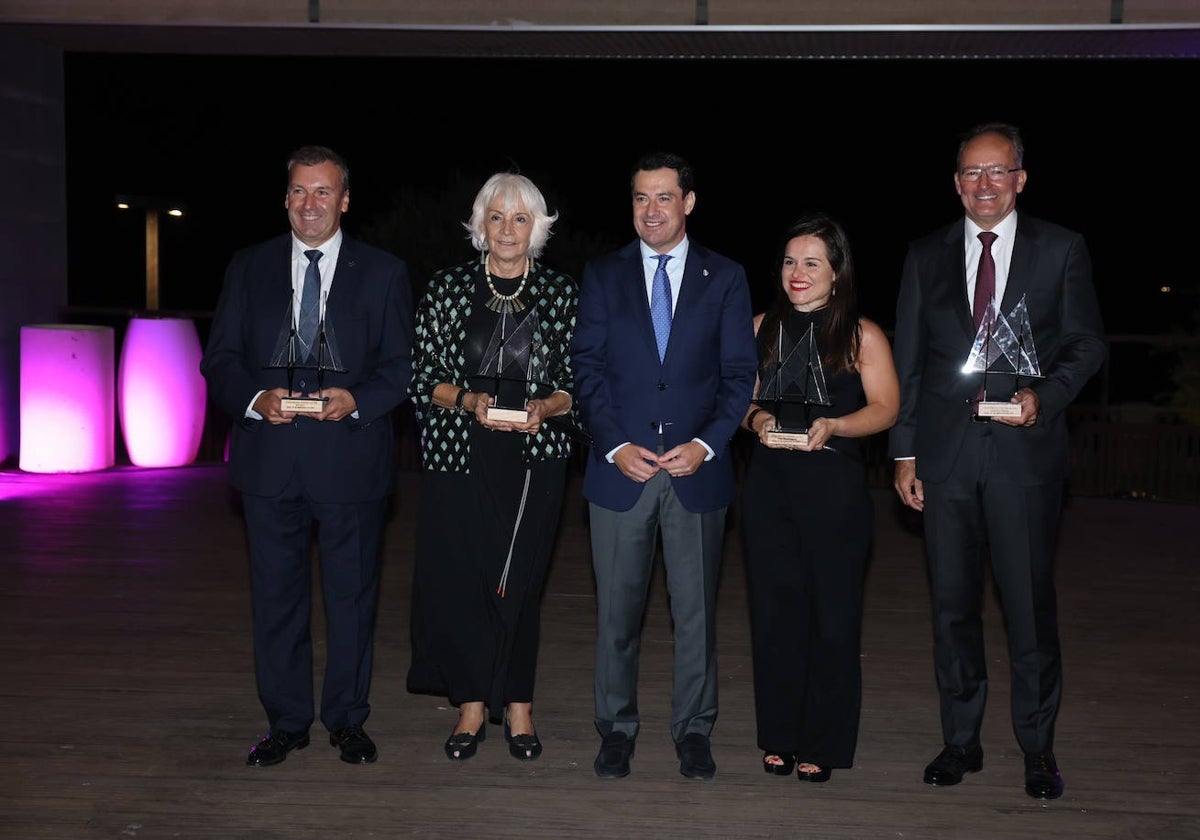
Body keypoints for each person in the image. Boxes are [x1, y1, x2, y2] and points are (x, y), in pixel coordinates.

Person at [889, 123, 1107, 800]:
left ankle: (1037, 749)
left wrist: (1046, 398)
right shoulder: (924, 254)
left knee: (1028, 609)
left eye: (998, 171)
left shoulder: (1061, 248)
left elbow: (1087, 344)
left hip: (1025, 460)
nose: (985, 184)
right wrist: (903, 453)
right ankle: (961, 742)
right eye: (972, 173)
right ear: (956, 183)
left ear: (1020, 178)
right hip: (947, 461)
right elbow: (910, 363)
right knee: (952, 608)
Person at [201, 145, 413, 767]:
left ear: (345, 200)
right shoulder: (248, 266)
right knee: (275, 601)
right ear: (285, 198)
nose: (310, 204)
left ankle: (347, 720)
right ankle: (287, 722)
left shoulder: (384, 271)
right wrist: (253, 397)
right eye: (299, 191)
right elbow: (220, 359)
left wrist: (359, 398)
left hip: (350, 460)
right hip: (269, 462)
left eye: (323, 192)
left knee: (352, 601)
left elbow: (402, 368)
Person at [571, 151, 758, 780]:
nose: (651, 211)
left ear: (689, 202)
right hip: (619, 471)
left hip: (695, 473)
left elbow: (738, 377)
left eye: (663, 197)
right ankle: (616, 729)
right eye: (640, 199)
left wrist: (706, 444)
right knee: (616, 614)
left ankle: (693, 731)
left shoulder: (725, 277)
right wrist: (615, 444)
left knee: (695, 615)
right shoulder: (601, 275)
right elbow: (587, 370)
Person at [405, 172, 578, 763]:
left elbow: (579, 384)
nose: (507, 230)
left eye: (520, 218)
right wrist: (469, 400)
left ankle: (521, 705)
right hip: (460, 454)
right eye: (496, 217)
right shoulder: (448, 287)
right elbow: (420, 375)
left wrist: (546, 407)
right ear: (480, 225)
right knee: (466, 581)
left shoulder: (560, 293)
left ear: (538, 228)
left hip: (534, 458)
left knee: (521, 582)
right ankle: (473, 705)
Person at [740, 212, 899, 784]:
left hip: (833, 489)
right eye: (789, 261)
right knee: (775, 615)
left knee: (833, 619)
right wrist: (756, 419)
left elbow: (885, 408)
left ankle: (823, 741)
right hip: (768, 489)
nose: (798, 273)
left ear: (836, 272)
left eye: (812, 262)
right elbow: (737, 399)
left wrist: (833, 427)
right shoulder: (758, 326)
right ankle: (779, 736)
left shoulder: (862, 334)